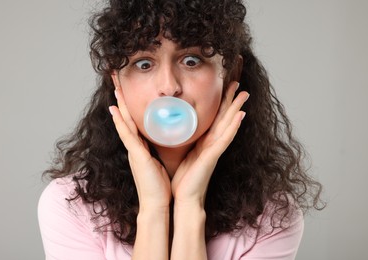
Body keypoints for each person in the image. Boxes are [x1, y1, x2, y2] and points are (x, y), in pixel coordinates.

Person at [38, 0, 324, 259]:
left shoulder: (271, 217)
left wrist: (189, 206)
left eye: (191, 60)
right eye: (144, 63)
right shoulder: (71, 207)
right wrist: (154, 208)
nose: (169, 86)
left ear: (231, 73)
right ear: (117, 81)